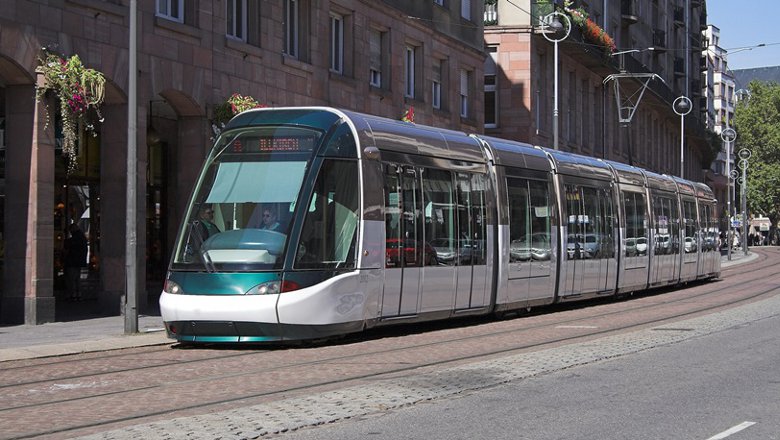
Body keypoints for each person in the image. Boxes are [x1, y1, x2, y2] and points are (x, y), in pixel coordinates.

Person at [64, 223, 88, 301]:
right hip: (79, 261)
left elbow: (69, 247)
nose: (70, 232)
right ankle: (78, 293)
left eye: (70, 230)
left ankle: (73, 294)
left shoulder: (75, 238)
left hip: (72, 260)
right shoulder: (82, 237)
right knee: (77, 278)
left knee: (72, 278)